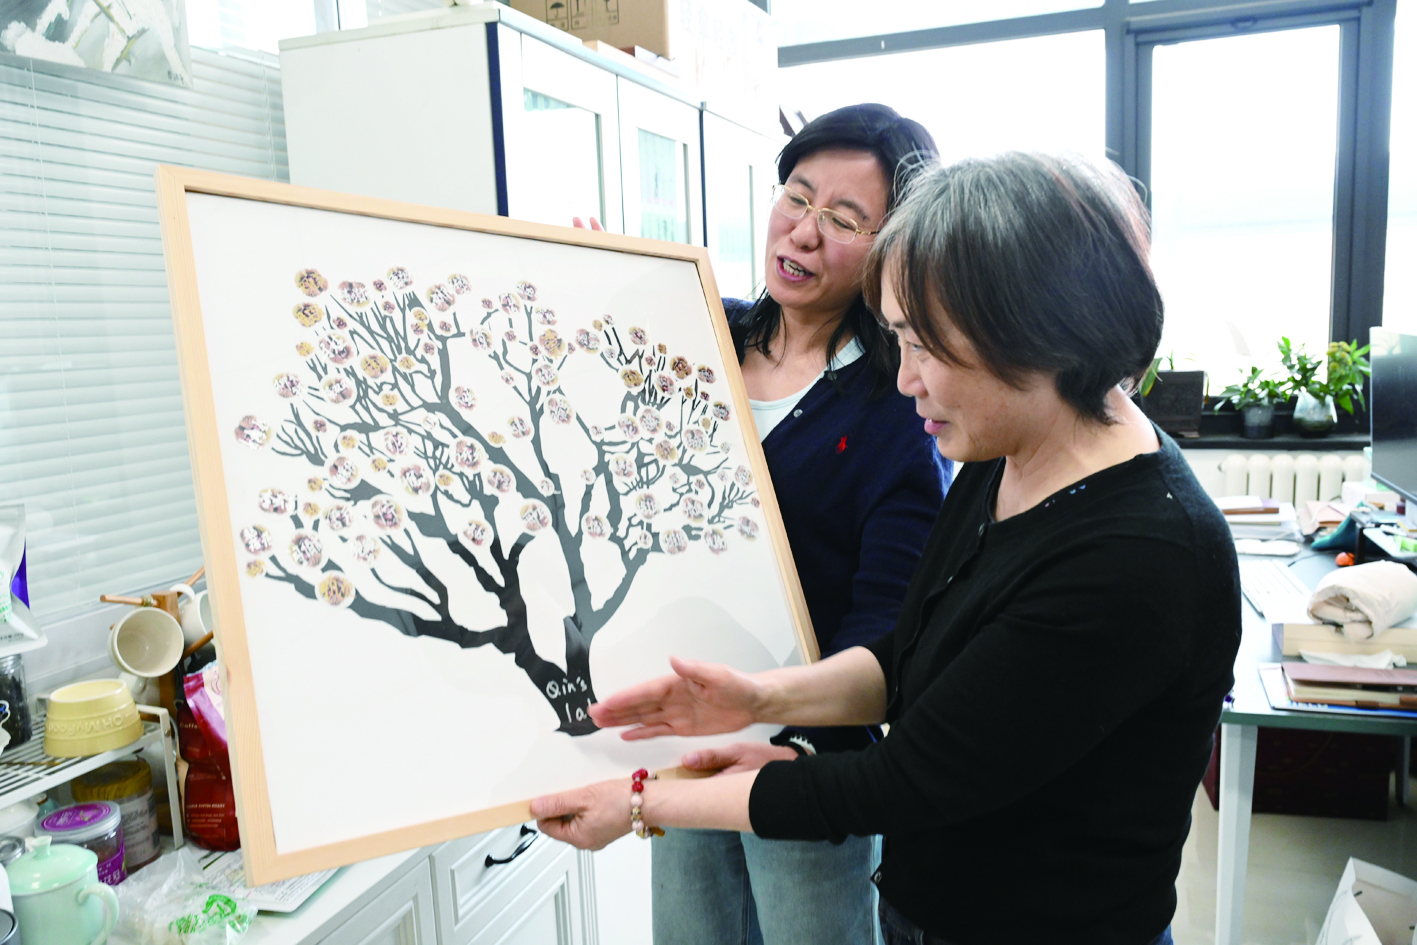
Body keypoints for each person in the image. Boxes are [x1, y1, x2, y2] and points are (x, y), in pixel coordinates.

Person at [530, 151, 1243, 945]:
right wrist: (759, 698)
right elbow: (912, 656)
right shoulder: (1007, 448)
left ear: (1037, 336)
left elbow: (905, 780)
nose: (905, 380)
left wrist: (637, 802)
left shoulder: (1138, 556)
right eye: (898, 339)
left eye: (926, 347)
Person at [579, 104, 950, 945]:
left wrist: (809, 749)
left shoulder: (901, 410)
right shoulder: (697, 331)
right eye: (797, 197)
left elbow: (889, 629)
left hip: (803, 764)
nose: (805, 231)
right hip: (682, 731)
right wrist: (585, 289)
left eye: (844, 219)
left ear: (891, 251)